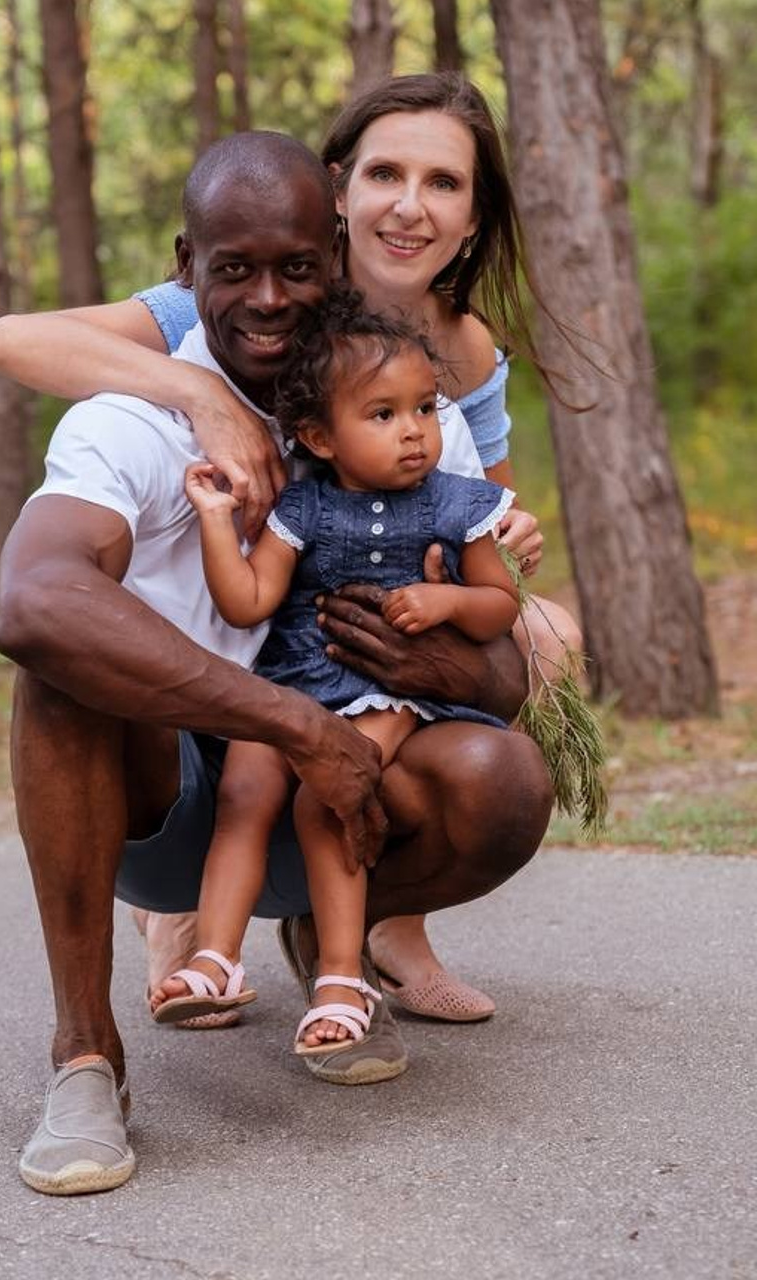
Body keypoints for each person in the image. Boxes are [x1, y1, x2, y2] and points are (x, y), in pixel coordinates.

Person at [0, 131, 552, 1193]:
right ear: (183, 266)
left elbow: (505, 682)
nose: (266, 298)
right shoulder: (130, 415)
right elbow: (30, 599)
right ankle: (82, 1057)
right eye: (233, 269)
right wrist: (292, 723)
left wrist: (429, 659)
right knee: (59, 667)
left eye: (296, 267)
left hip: (343, 789)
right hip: (170, 793)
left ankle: (329, 932)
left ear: (335, 260)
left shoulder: (404, 411)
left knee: (503, 778)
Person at [151, 295, 519, 1061]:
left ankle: (342, 980)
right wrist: (219, 522)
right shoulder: (301, 508)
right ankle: (214, 961)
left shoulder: (457, 502)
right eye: (382, 414)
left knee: (332, 800)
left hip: (387, 691)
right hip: (291, 682)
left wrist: (447, 597)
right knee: (244, 796)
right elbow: (248, 599)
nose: (415, 429)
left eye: (423, 407)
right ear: (319, 435)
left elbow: (498, 606)